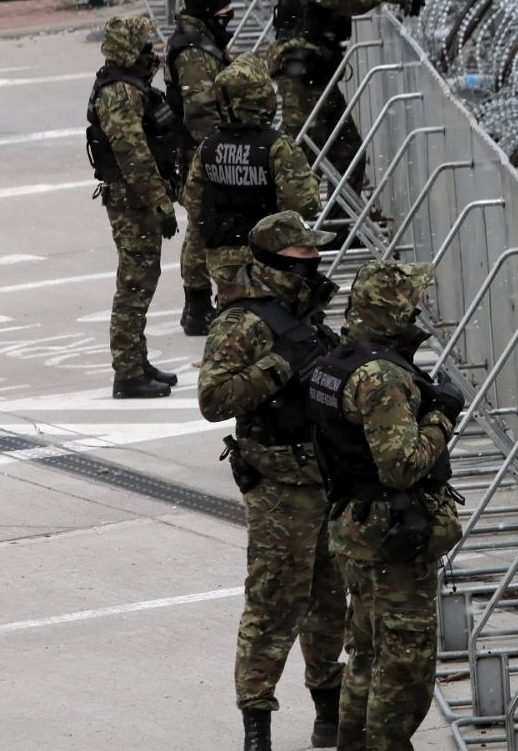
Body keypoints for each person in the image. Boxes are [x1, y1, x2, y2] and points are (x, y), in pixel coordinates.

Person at [198, 211, 346, 751]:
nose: (317, 264)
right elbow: (213, 400)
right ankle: (256, 722)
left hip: (326, 478)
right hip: (280, 486)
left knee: (331, 601)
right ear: (278, 261)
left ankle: (328, 710)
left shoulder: (304, 313)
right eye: (306, 256)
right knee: (275, 604)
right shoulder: (245, 324)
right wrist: (282, 365)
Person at [304, 261, 464, 751]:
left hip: (355, 525)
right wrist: (441, 415)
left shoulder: (339, 361)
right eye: (412, 302)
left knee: (368, 653)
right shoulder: (381, 378)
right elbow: (402, 466)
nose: (420, 308)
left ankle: (355, 742)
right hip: (389, 534)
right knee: (405, 663)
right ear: (395, 312)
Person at [271, 0, 419, 207]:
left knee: (347, 151)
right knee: (301, 157)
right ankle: (288, 231)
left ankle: (338, 227)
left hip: (318, 69)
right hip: (301, 71)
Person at [86, 14, 182, 399]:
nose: (150, 51)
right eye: (144, 44)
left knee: (143, 279)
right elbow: (134, 157)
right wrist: (162, 205)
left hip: (135, 199)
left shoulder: (128, 86)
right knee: (133, 285)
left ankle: (136, 361)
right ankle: (127, 372)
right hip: (133, 202)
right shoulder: (120, 94)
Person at [187, 52, 321, 302]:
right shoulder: (278, 147)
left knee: (233, 314)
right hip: (271, 259)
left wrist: (194, 281)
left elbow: (196, 209)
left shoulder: (208, 148)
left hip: (222, 262)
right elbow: (304, 205)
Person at [166, 0, 235, 336]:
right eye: (225, 13)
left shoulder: (202, 41)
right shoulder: (193, 51)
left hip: (202, 149)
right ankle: (196, 305)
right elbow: (200, 111)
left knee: (206, 223)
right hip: (199, 153)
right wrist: (221, 151)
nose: (229, 20)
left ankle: (202, 303)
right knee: (201, 225)